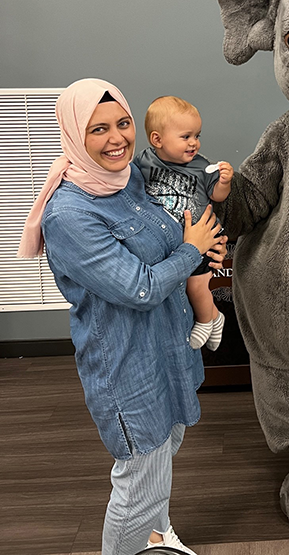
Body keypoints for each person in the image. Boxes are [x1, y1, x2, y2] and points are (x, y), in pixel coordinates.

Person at [18, 78, 227, 555]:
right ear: (74, 133)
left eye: (123, 123)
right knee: (139, 485)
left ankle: (157, 536)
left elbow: (170, 237)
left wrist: (200, 250)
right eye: (98, 129)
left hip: (168, 343)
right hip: (128, 366)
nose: (117, 139)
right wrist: (191, 249)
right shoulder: (69, 215)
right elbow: (140, 287)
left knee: (164, 454)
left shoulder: (131, 177)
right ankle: (134, 541)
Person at [134, 95, 233, 350]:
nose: (194, 143)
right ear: (157, 140)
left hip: (202, 235)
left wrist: (224, 182)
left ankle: (204, 319)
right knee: (181, 284)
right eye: (186, 137)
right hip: (172, 241)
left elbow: (217, 196)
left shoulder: (202, 166)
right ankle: (214, 317)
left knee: (196, 283)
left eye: (197, 136)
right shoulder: (144, 161)